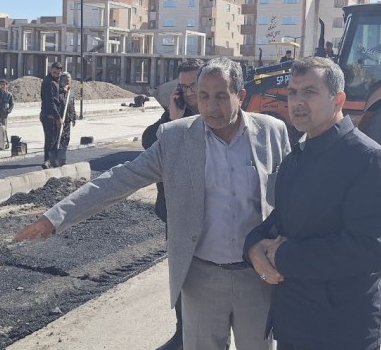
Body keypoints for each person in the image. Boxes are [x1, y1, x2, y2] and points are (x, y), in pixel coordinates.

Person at [15, 57, 291, 350]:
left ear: (241, 95)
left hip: (258, 277)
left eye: (221, 96)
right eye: (203, 96)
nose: (211, 107)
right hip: (201, 280)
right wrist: (55, 217)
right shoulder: (176, 138)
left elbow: (292, 198)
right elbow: (119, 179)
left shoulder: (272, 132)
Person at [244, 57, 381, 349]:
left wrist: (284, 256)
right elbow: (283, 220)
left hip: (340, 330)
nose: (297, 101)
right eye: (292, 92)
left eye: (310, 91)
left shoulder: (369, 161)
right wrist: (253, 246)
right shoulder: (296, 158)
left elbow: (369, 249)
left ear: (338, 99)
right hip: (293, 323)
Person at [140, 58, 203, 350]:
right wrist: (171, 118)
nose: (189, 93)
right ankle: (183, 333)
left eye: (194, 85)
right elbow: (148, 141)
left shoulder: (217, 113)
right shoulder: (175, 113)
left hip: (211, 214)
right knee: (181, 276)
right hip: (177, 213)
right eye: (183, 87)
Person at [49, 72, 76, 167]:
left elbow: (72, 105)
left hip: (67, 120)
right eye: (66, 81)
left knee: (65, 139)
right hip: (58, 120)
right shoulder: (57, 92)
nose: (67, 83)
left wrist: (74, 117)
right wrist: (57, 118)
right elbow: (53, 105)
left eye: (69, 82)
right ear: (61, 81)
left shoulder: (70, 93)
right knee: (56, 139)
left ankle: (61, 160)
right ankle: (52, 160)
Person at [40, 62, 64, 166]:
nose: (56, 75)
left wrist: (63, 89)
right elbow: (51, 102)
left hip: (52, 115)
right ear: (50, 70)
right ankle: (47, 161)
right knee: (50, 140)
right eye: (54, 72)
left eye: (58, 73)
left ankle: (52, 160)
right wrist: (58, 117)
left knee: (54, 139)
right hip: (49, 115)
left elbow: (56, 93)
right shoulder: (48, 82)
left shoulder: (55, 81)